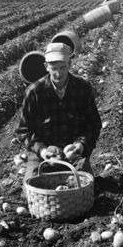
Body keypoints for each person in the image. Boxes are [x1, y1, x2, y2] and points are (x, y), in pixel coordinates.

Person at [16, 41, 102, 181]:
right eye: (54, 68)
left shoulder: (83, 87)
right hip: (43, 155)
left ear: (70, 65)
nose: (58, 73)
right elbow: (23, 130)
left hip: (73, 153)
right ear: (46, 67)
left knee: (82, 186)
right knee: (33, 187)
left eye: (62, 67)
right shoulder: (34, 92)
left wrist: (80, 145)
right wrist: (43, 151)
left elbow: (93, 124)